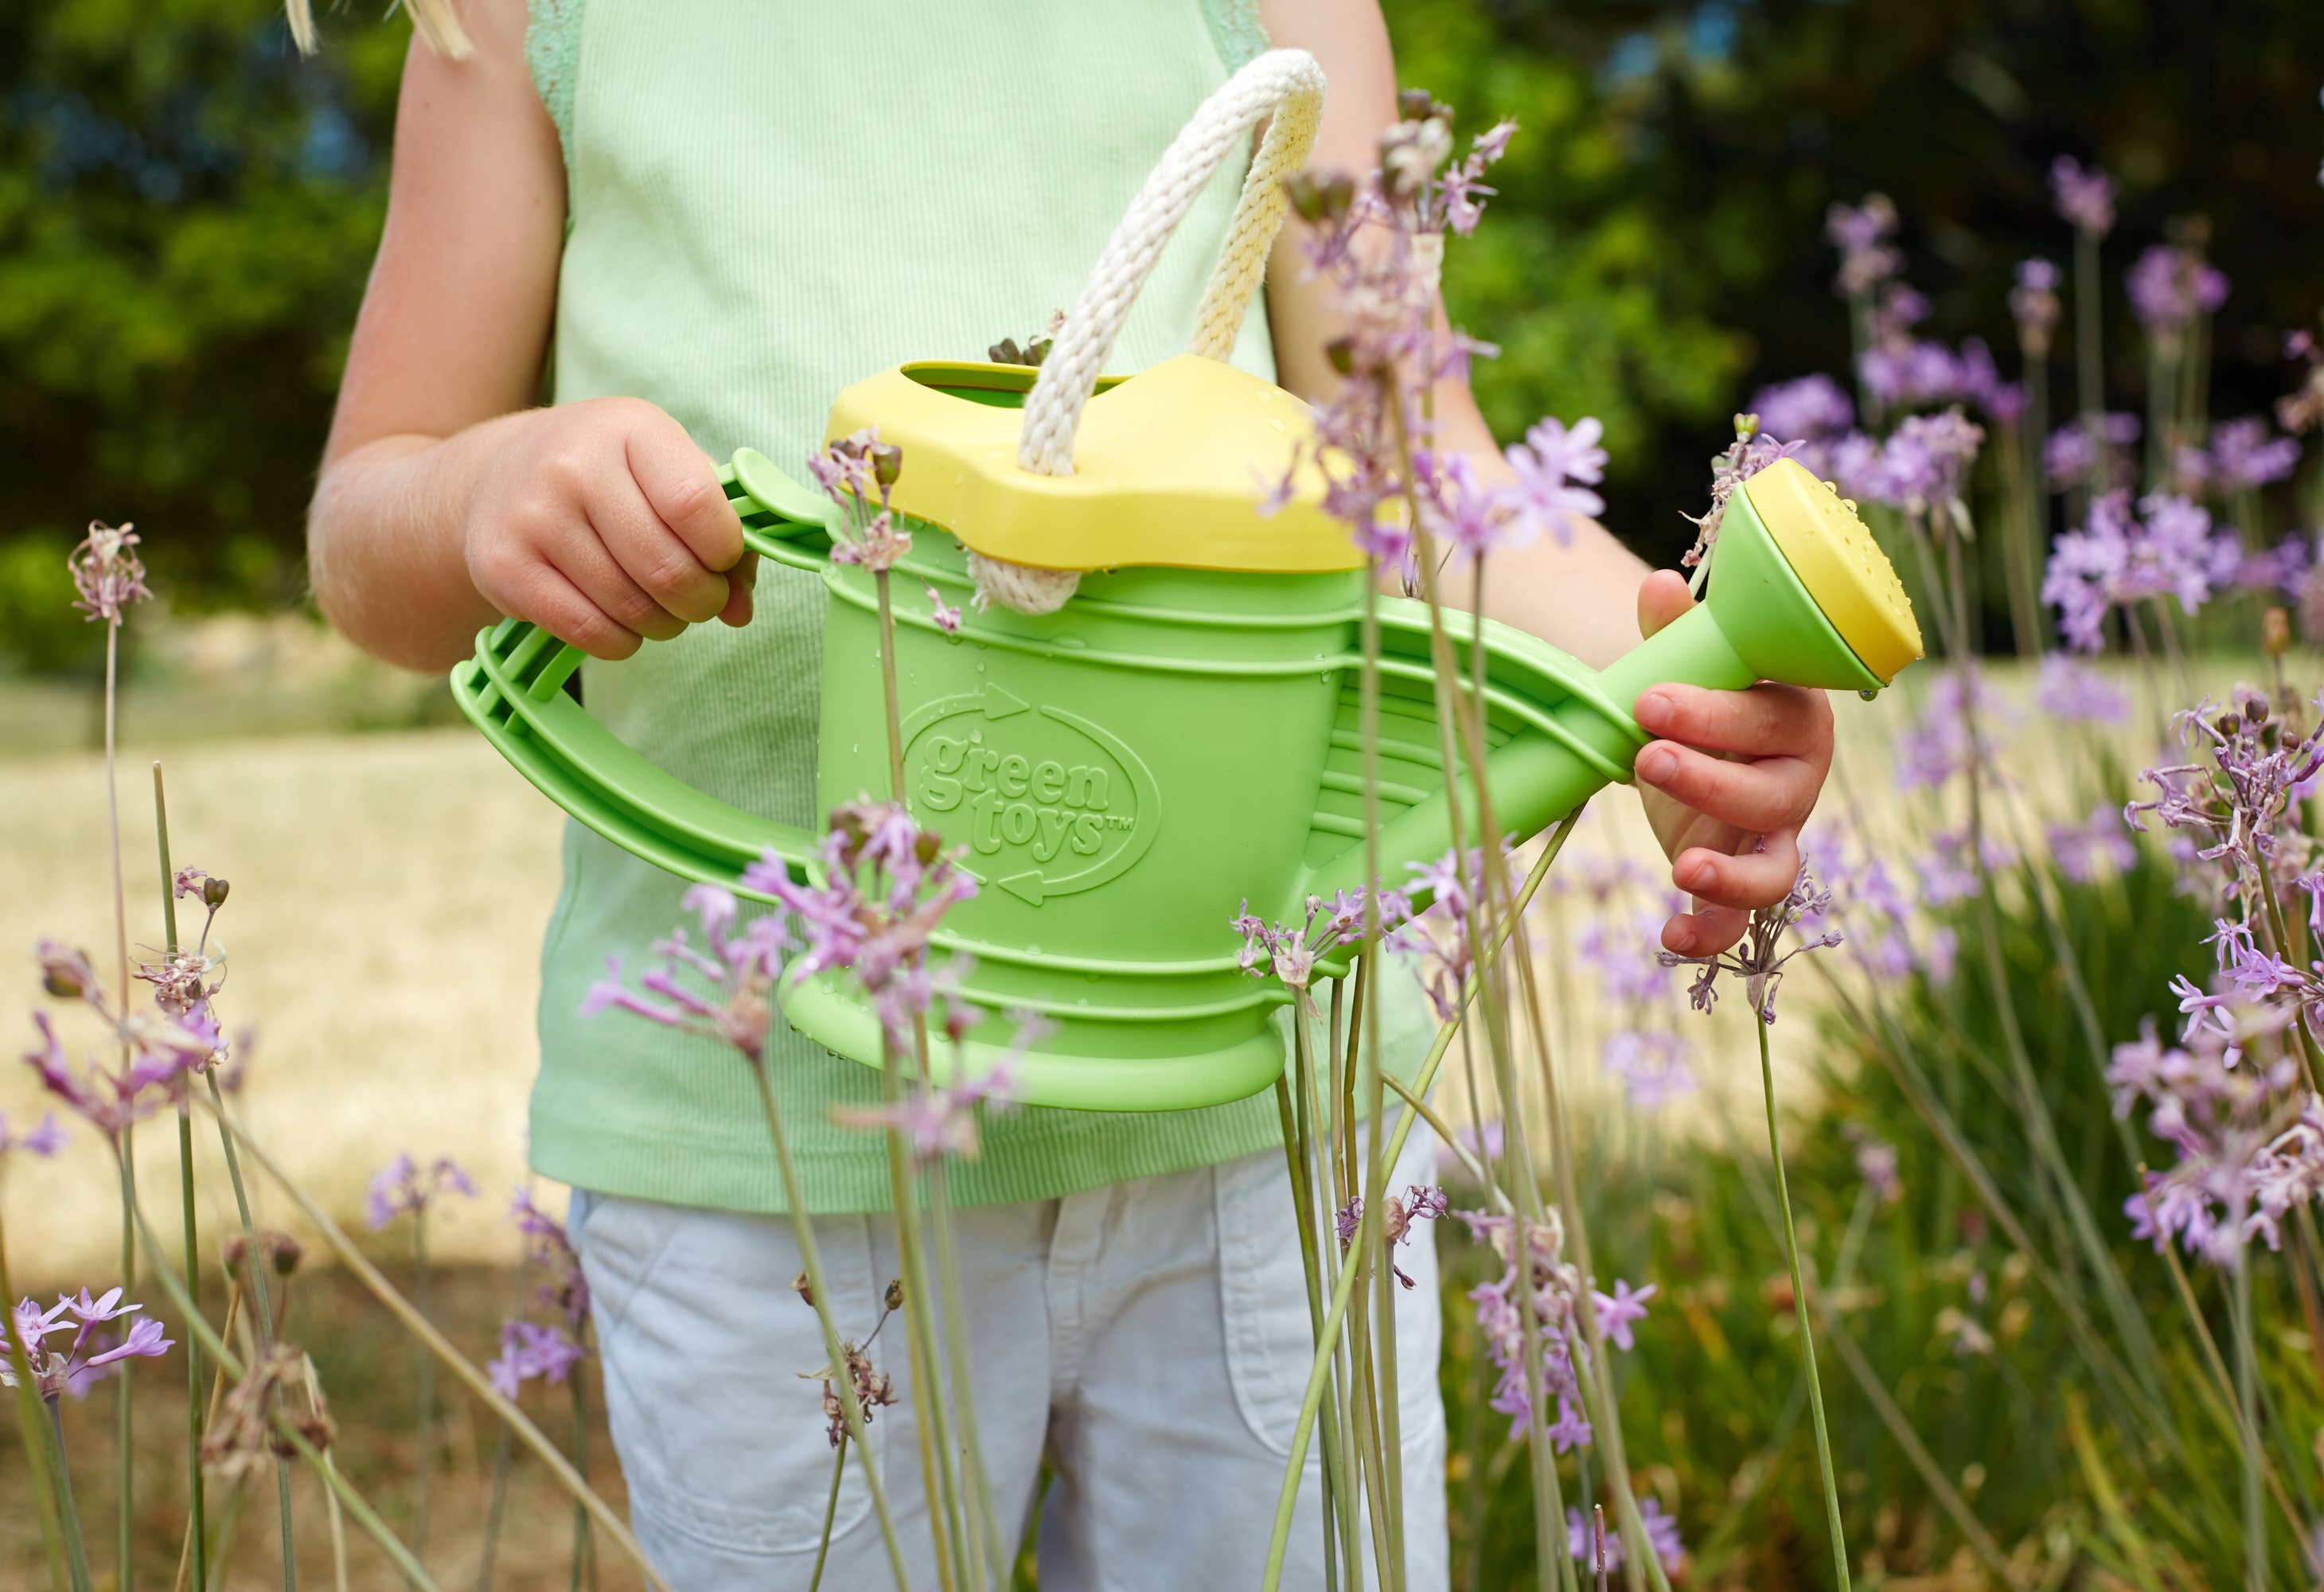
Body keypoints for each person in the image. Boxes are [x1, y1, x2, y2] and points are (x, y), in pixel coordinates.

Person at [306, 0, 1835, 1585]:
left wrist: (1664, 688)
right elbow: (368, 525)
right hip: (767, 1140)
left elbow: (1416, 477)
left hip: (1261, 1118)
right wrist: (484, 489)